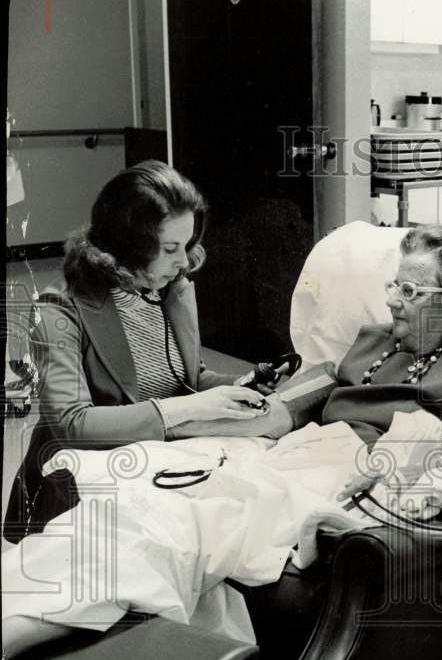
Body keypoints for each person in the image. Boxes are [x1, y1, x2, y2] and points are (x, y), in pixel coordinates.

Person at [1, 223, 442, 659]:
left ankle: (18, 631)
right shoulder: (375, 335)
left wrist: (399, 469)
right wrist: (221, 413)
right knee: (139, 510)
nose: (392, 299)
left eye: (411, 291)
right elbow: (303, 395)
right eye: (395, 284)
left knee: (183, 526)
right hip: (297, 451)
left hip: (345, 473)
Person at [2, 161, 276, 545]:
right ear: (129, 245)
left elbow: (188, 380)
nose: (183, 262)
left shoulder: (172, 290)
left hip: (153, 471)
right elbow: (71, 424)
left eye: (187, 245)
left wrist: (242, 385)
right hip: (77, 496)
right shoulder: (59, 307)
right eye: (170, 248)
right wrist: (191, 409)